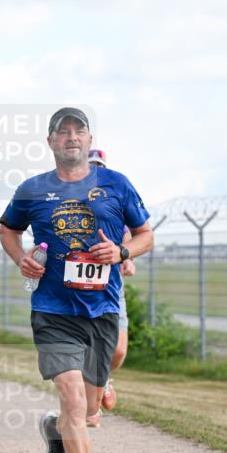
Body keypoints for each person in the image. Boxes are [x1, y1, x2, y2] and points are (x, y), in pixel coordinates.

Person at [0, 107, 153, 453]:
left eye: (78, 130)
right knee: (70, 397)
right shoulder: (32, 189)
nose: (71, 137)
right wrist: (21, 258)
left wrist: (122, 252)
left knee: (83, 410)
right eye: (61, 131)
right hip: (53, 310)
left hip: (102, 309)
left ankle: (55, 429)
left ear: (88, 140)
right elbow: (8, 230)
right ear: (50, 142)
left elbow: (145, 235)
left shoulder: (116, 184)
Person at [85, 148, 135, 427]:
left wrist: (127, 258)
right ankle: (89, 409)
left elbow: (129, 238)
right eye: (90, 166)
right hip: (77, 291)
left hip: (111, 289)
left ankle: (102, 380)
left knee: (116, 351)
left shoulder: (115, 203)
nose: (95, 171)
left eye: (99, 167)